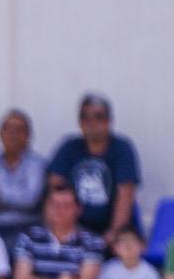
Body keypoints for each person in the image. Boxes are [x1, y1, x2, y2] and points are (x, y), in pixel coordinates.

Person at [47, 92, 140, 240]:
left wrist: (113, 234)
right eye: (85, 117)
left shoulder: (121, 148)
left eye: (98, 116)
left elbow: (125, 194)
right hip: (73, 230)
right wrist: (59, 231)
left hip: (111, 230)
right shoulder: (69, 147)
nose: (91, 122)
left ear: (110, 121)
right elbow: (55, 188)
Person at [0, 109, 47, 247]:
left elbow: (30, 200)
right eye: (8, 129)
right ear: (0, 134)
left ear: (28, 135)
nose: (13, 135)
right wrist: (9, 201)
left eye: (19, 129)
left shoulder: (37, 165)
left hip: (27, 228)